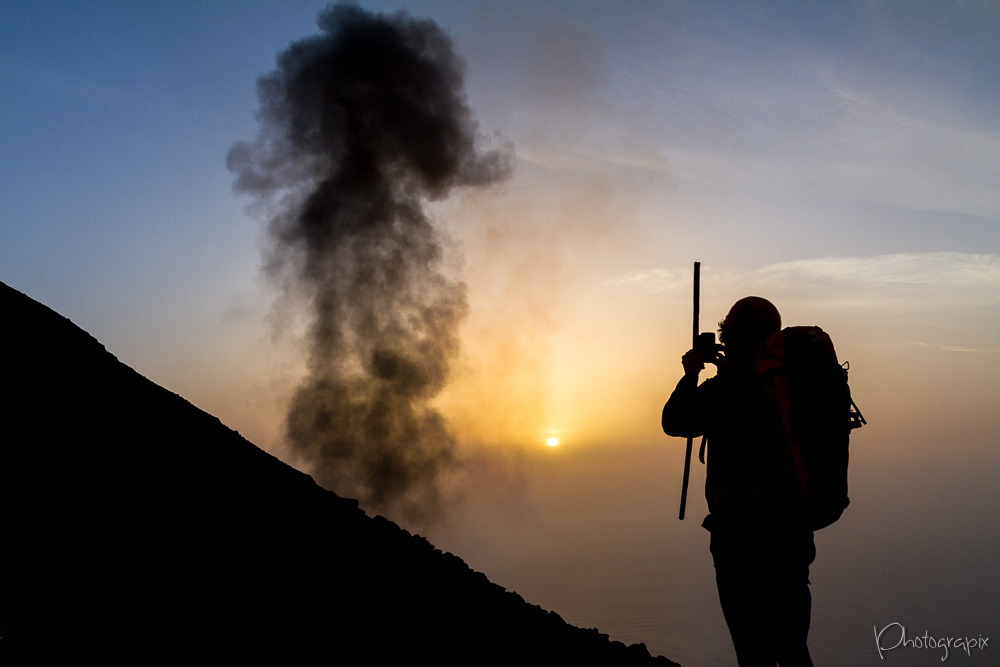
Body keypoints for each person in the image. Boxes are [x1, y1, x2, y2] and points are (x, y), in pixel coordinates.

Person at [662, 296, 816, 667]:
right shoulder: (794, 386)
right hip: (792, 534)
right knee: (793, 650)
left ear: (729, 339)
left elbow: (674, 421)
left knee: (754, 654)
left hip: (739, 537)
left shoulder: (725, 391)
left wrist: (691, 374)